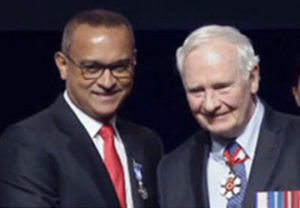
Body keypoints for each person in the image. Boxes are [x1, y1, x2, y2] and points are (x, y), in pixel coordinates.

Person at [0, 9, 163, 207]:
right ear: (63, 65)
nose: (107, 81)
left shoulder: (147, 144)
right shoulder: (29, 142)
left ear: (134, 62)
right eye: (92, 68)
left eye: (119, 67)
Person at [157, 25, 300, 208]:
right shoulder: (173, 170)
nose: (210, 104)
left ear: (253, 78)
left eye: (222, 87)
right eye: (197, 91)